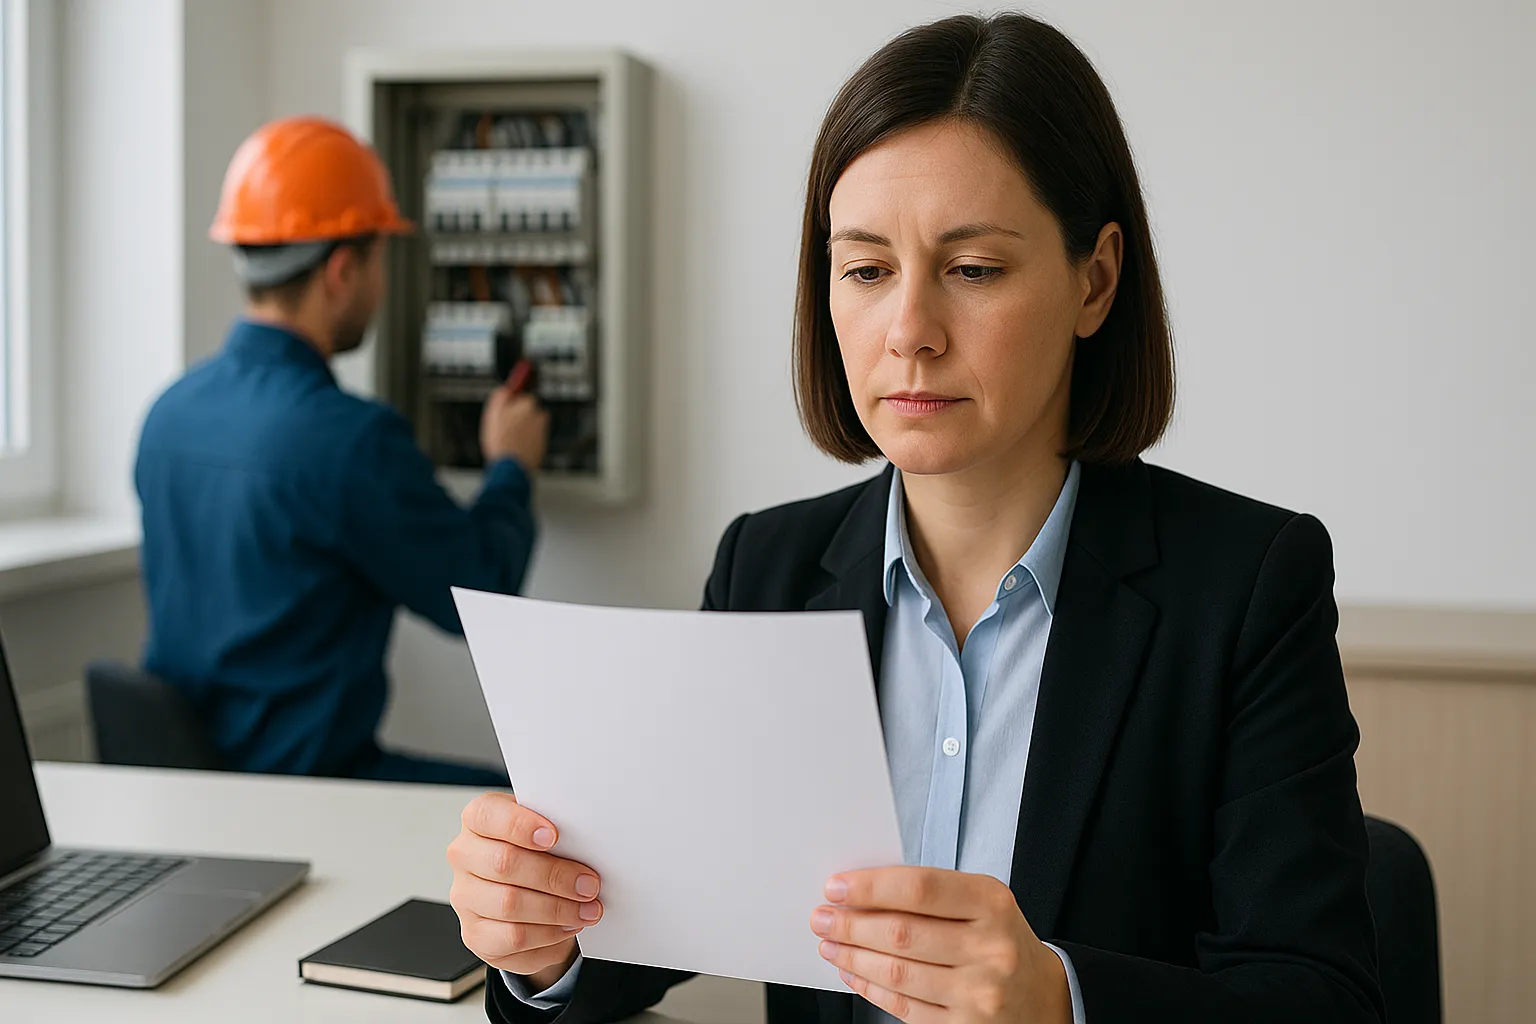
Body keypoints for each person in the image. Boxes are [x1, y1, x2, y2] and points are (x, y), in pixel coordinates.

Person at [447, 13, 1384, 1024]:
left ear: (1095, 281)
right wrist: (544, 946)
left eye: (973, 269)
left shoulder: (1248, 587)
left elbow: (1322, 998)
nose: (911, 334)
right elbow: (655, 931)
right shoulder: (765, 566)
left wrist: (1060, 1001)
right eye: (866, 269)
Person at [135, 117, 548, 786]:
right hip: (315, 793)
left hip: (196, 796)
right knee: (538, 824)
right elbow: (482, 593)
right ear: (340, 270)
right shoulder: (348, 439)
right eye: (381, 258)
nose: (383, 284)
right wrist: (511, 465)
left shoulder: (166, 413)